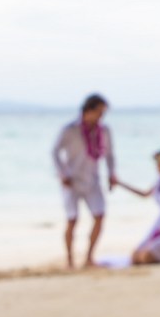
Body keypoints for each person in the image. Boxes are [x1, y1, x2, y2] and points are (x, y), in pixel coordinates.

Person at [51, 94, 117, 269]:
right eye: (99, 112)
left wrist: (111, 174)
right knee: (72, 220)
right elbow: (55, 152)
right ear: (88, 110)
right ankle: (70, 260)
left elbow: (109, 155)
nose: (102, 116)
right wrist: (62, 174)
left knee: (99, 216)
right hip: (71, 180)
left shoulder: (104, 131)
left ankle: (89, 257)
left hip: (93, 180)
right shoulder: (70, 129)